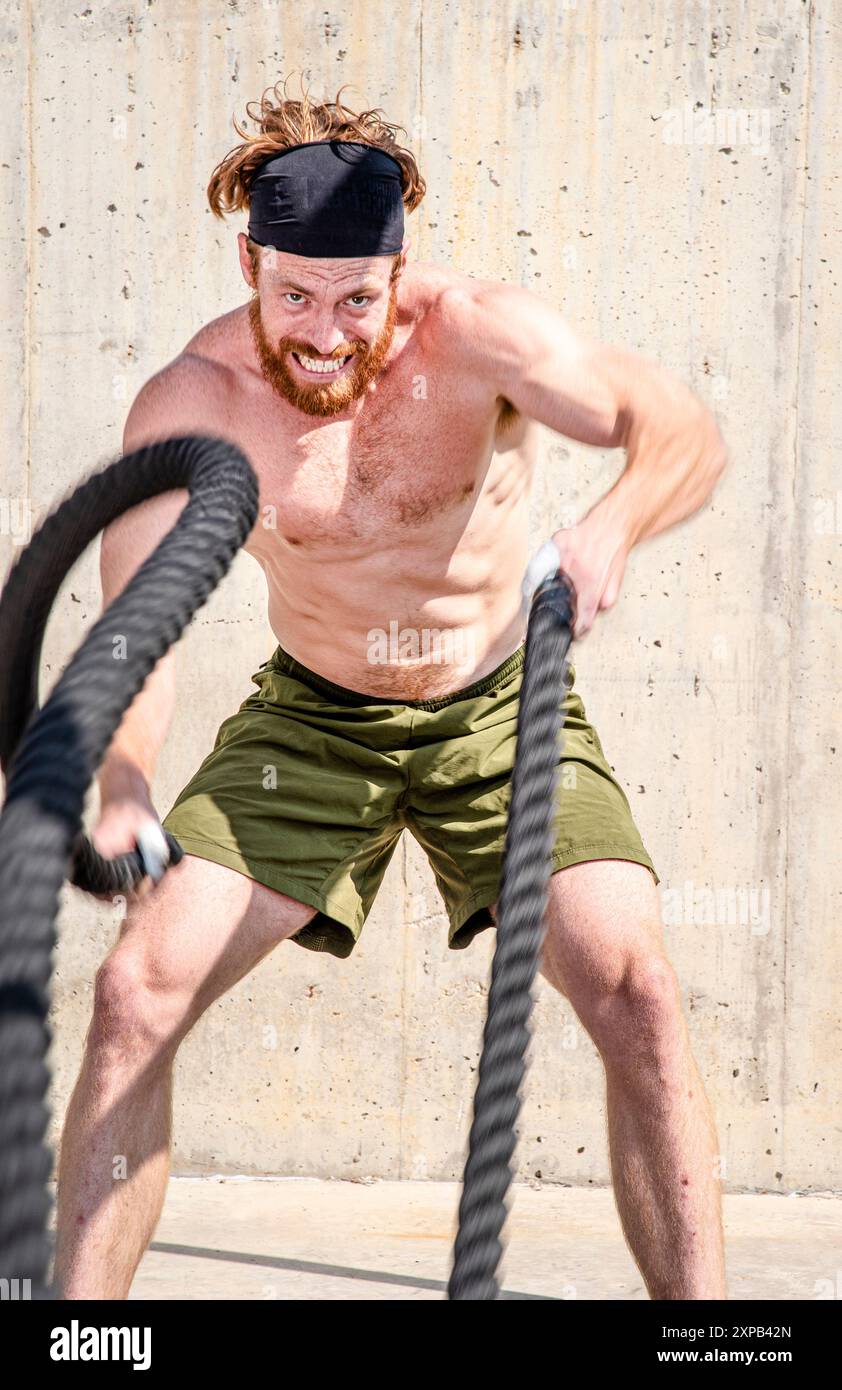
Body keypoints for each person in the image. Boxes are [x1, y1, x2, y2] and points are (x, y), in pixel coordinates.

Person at [54, 83, 728, 1300]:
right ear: (250, 261)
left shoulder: (475, 337)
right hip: (311, 721)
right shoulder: (195, 401)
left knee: (633, 983)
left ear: (397, 269)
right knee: (132, 988)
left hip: (498, 707)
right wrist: (121, 782)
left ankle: (704, 1336)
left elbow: (676, 427)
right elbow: (134, 630)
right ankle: (78, 1334)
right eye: (295, 295)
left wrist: (617, 522)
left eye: (356, 296)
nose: (325, 332)